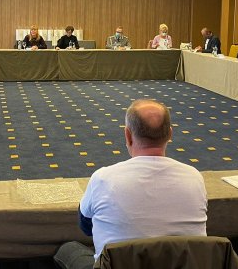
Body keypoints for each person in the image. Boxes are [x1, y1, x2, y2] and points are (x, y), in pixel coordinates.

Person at [54, 100, 207, 269]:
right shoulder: (194, 177)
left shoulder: (103, 178)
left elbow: (86, 227)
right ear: (170, 134)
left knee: (68, 249)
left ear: (127, 135)